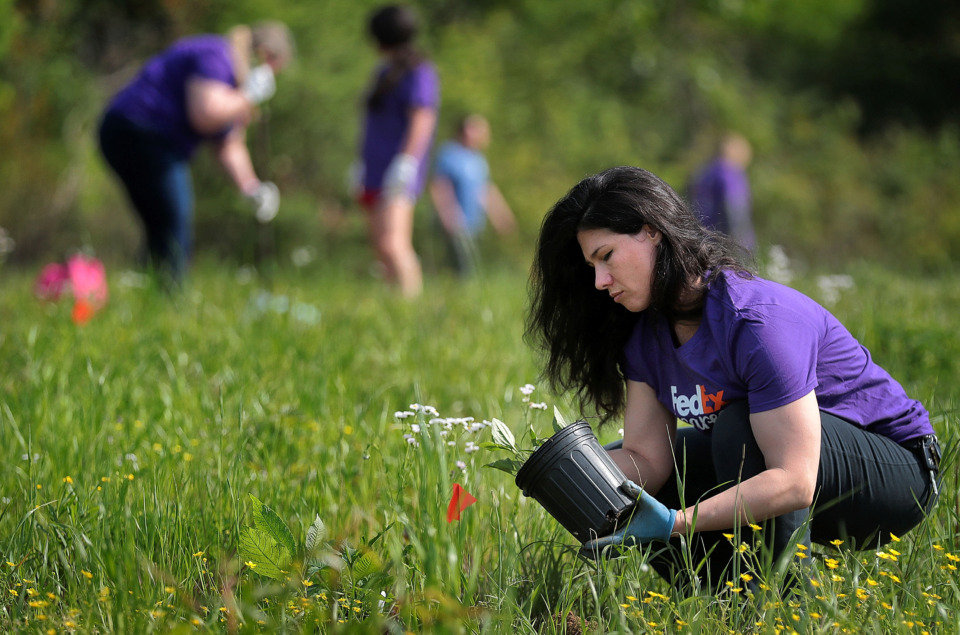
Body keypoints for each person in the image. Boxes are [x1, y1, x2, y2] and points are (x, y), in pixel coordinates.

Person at [526, 166, 939, 594]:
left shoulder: (755, 322)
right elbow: (649, 461)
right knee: (632, 482)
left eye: (607, 256)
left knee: (737, 430)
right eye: (591, 265)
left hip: (898, 476)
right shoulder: (645, 335)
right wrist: (572, 475)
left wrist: (676, 523)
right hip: (788, 465)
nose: (599, 281)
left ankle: (782, 601)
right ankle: (725, 603)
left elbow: (796, 480)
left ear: (651, 231)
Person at [98, 21, 295, 283]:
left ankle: (145, 293)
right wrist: (248, 96)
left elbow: (227, 143)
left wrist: (251, 187)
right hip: (139, 129)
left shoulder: (232, 79)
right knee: (174, 219)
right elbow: (206, 113)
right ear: (264, 55)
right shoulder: (217, 54)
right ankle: (170, 301)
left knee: (161, 223)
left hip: (139, 134)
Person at [352, 4, 439, 298]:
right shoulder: (383, 72)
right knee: (380, 248)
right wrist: (360, 165)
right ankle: (392, 303)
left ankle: (410, 308)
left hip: (398, 171)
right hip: (374, 170)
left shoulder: (419, 71)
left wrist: (407, 161)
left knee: (393, 243)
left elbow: (422, 119)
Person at [429, 114, 516, 277]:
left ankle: (464, 296)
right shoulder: (448, 154)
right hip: (455, 223)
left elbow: (485, 190)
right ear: (467, 130)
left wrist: (500, 215)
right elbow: (439, 186)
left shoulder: (478, 160)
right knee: (460, 267)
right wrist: (448, 214)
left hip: (474, 224)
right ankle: (453, 297)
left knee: (472, 265)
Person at [689, 132, 756, 252]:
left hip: (701, 237)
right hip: (724, 243)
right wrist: (740, 244)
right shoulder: (730, 173)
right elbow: (735, 209)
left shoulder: (705, 172)